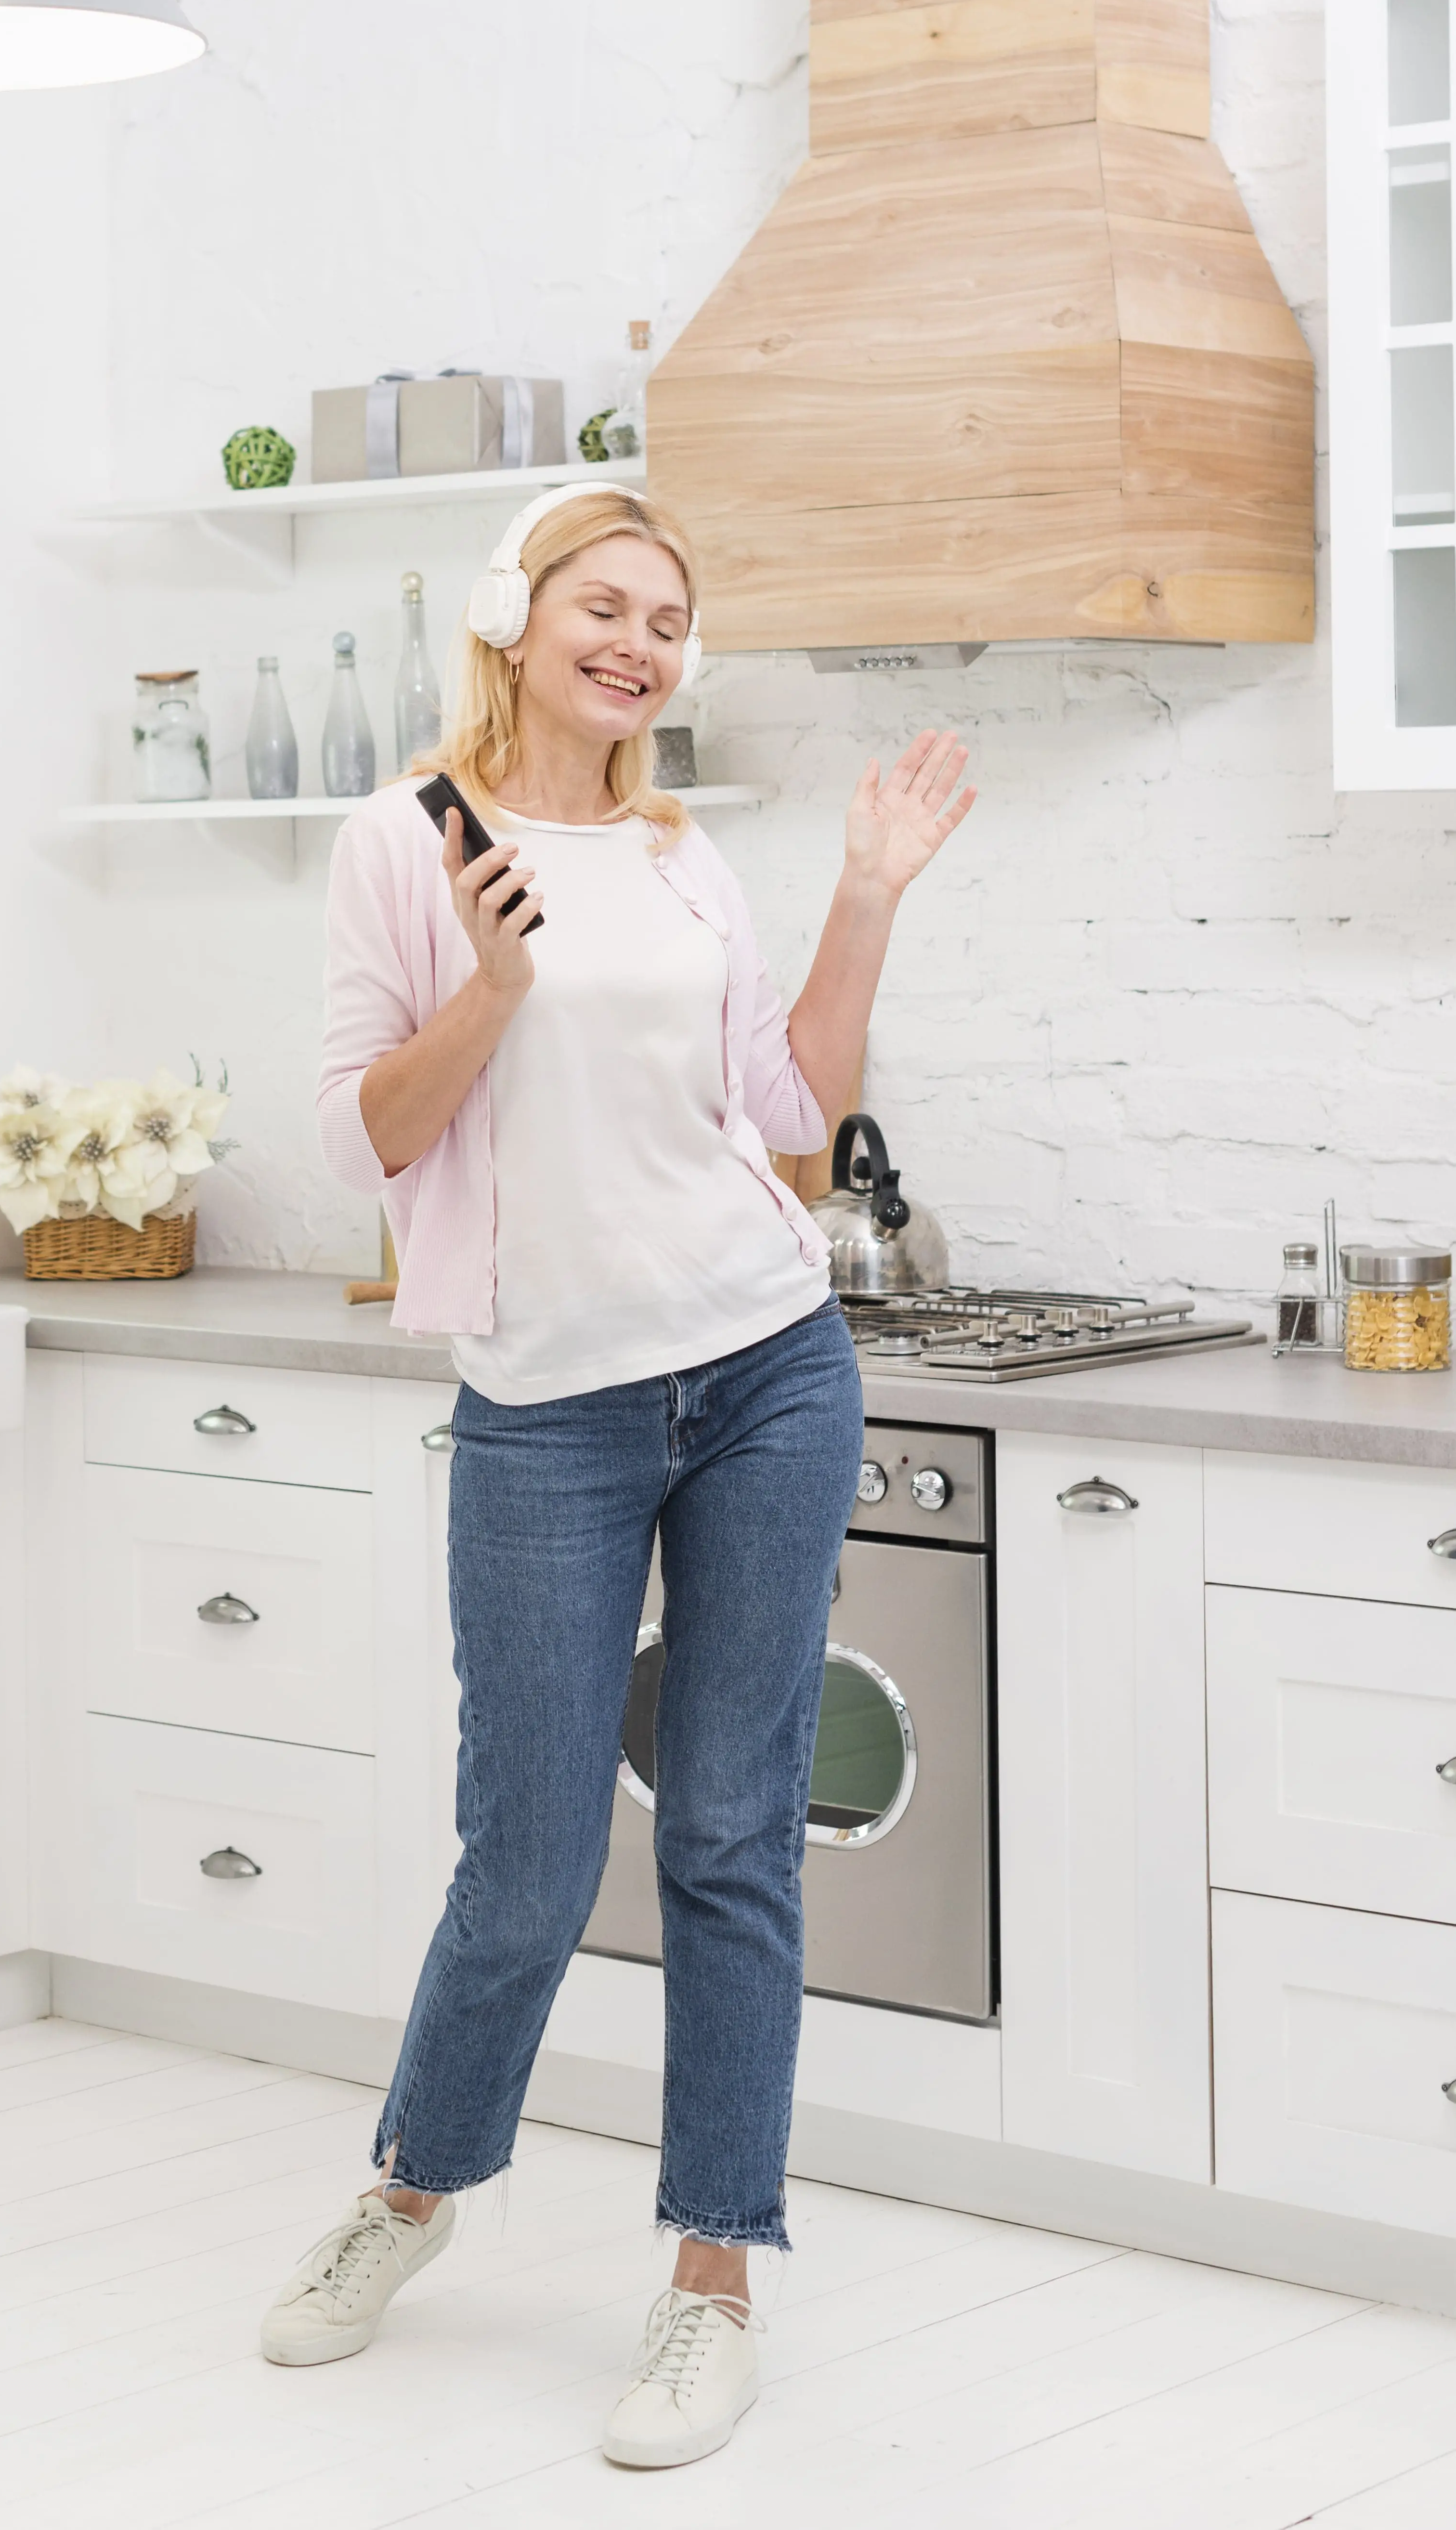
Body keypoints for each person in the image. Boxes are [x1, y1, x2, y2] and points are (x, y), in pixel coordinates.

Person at [259, 481, 974, 2467]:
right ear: (516, 611)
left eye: (668, 613)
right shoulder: (402, 843)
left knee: (734, 1837)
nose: (638, 638)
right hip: (550, 1406)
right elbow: (362, 1141)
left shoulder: (685, 861)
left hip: (764, 1368)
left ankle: (708, 2278)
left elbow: (800, 1136)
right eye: (604, 599)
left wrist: (867, 893)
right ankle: (411, 2188)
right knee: (529, 1856)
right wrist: (492, 980)